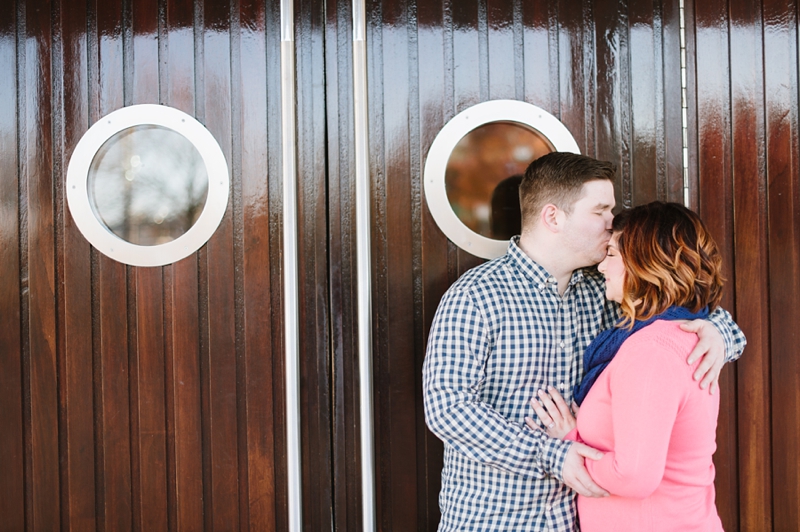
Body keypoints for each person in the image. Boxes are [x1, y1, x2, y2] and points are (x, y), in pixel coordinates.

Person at [422, 152, 746, 531]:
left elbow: (678, 313)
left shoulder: (607, 291)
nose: (612, 226)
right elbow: (446, 407)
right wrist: (551, 455)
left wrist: (719, 332)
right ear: (553, 217)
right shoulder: (476, 296)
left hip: (576, 519)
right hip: (497, 518)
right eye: (601, 212)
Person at [531, 202, 729, 531]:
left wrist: (567, 449)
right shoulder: (680, 333)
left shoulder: (651, 351)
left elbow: (634, 476)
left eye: (611, 254)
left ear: (643, 263)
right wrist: (574, 435)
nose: (602, 267)